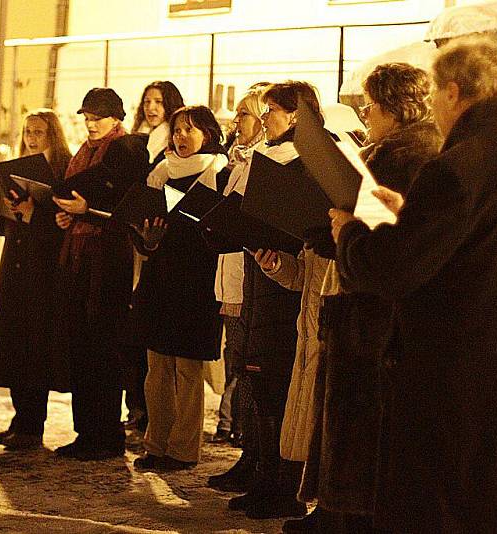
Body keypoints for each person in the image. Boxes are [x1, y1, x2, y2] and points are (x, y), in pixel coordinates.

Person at [329, 36, 497, 533]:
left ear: (451, 91)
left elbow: (393, 271)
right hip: (489, 355)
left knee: (437, 504)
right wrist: (410, 216)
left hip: (451, 367)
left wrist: (352, 233)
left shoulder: (458, 164)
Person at [281, 63, 442, 534]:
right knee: (352, 427)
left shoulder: (405, 157)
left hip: (373, 315)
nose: (365, 112)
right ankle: (335, 512)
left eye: (371, 104)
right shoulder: (399, 151)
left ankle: (342, 515)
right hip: (367, 303)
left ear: (395, 107)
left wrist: (342, 233)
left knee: (359, 431)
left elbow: (387, 238)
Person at [227, 81, 322, 520]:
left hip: (291, 298)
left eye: (273, 111)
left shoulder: (307, 165)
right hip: (265, 277)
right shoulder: (264, 157)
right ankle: (264, 478)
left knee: (281, 391)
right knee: (262, 388)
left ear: (297, 116)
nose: (266, 118)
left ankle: (283, 487)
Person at [130, 105, 230, 471]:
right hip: (160, 280)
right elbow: (141, 229)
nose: (181, 137)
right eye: (176, 131)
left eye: (189, 130)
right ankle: (156, 444)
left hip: (198, 283)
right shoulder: (160, 173)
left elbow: (225, 232)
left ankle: (184, 449)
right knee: (156, 368)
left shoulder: (219, 173)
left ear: (208, 133)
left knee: (187, 371)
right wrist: (148, 240)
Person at [52, 88, 150, 461]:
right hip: (79, 252)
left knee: (102, 345)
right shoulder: (84, 152)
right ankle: (86, 431)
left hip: (108, 256)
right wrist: (67, 214)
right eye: (87, 117)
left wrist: (87, 210)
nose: (91, 124)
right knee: (81, 344)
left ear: (116, 118)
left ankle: (106, 434)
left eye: (98, 117)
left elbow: (125, 208)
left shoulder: (125, 151)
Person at [0, 109, 72, 450]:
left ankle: (32, 425)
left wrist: (34, 215)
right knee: (14, 346)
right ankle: (20, 420)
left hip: (43, 270)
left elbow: (61, 226)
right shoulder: (17, 169)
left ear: (52, 135)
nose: (31, 137)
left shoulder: (61, 172)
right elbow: (4, 224)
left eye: (39, 132)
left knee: (34, 349)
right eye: (28, 130)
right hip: (15, 266)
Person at [122, 80, 185, 433]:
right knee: (132, 330)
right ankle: (137, 406)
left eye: (159, 101)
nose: (151, 107)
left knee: (148, 334)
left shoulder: (168, 152)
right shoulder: (137, 142)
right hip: (134, 241)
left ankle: (150, 411)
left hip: (155, 243)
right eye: (147, 101)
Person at [211, 86, 267, 447]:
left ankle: (246, 438)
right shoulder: (239, 159)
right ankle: (243, 441)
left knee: (248, 363)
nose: (236, 121)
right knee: (236, 357)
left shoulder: (264, 163)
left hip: (254, 276)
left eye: (244, 114)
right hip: (231, 273)